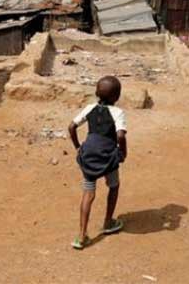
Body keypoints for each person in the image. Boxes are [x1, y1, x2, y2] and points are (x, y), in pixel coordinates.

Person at [68, 76, 128, 250]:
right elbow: (120, 135)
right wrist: (123, 152)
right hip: (107, 157)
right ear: (117, 96)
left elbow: (71, 126)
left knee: (88, 193)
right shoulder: (117, 113)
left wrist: (78, 147)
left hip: (88, 156)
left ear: (96, 92)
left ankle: (81, 236)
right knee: (114, 186)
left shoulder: (89, 108)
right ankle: (108, 222)